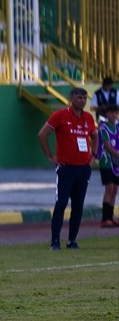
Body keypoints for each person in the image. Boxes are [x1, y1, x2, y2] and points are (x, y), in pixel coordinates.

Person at [37, 87, 97, 250]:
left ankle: (72, 240)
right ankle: (55, 240)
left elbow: (95, 135)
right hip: (66, 169)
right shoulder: (60, 115)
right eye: (79, 98)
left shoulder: (88, 118)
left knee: (78, 205)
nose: (83, 101)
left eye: (85, 98)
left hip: (83, 169)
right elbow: (42, 134)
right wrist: (50, 156)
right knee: (61, 203)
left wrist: (93, 157)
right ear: (71, 99)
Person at [98, 104, 119, 228]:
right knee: (109, 189)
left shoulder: (117, 127)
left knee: (115, 190)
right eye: (111, 113)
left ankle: (110, 217)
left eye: (116, 112)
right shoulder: (103, 128)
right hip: (106, 162)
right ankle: (105, 219)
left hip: (116, 162)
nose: (114, 115)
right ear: (107, 114)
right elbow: (108, 146)